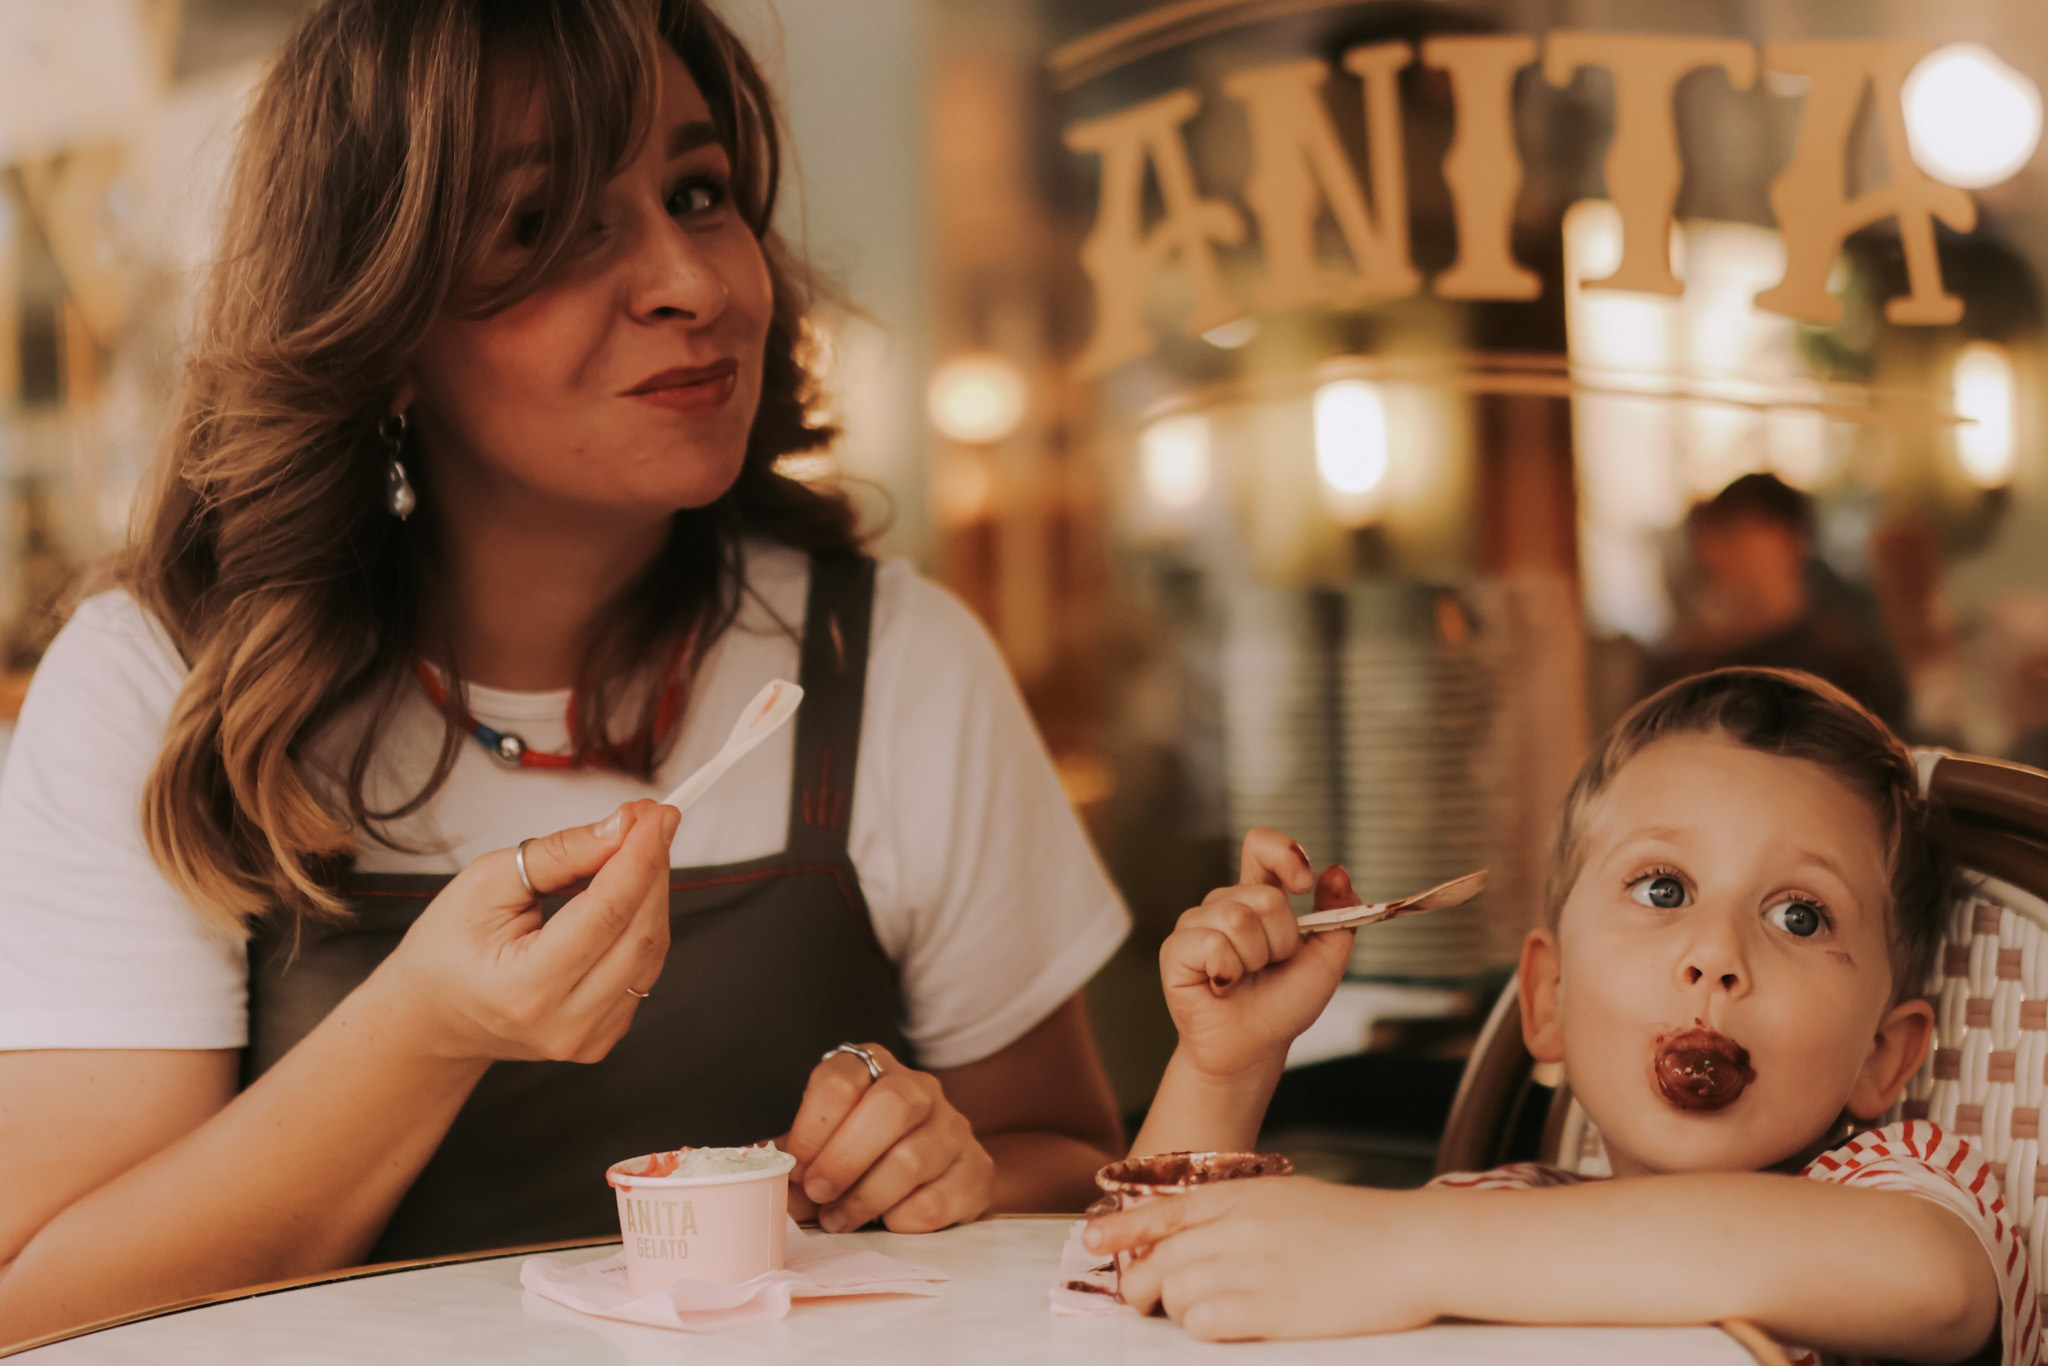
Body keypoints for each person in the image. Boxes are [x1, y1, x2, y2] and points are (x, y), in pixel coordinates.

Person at [0, 0, 1129, 1345]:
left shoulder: (888, 658)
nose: (693, 283)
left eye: (698, 193)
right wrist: (420, 1030)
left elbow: (1067, 1155)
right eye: (546, 227)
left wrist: (962, 1165)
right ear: (382, 318)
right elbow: (50, 1309)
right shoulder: (159, 684)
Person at [1090, 669, 2038, 1365]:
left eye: (1799, 915)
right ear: (1546, 998)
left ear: (1884, 1053)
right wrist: (1227, 1068)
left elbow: (1930, 1283)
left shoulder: (1901, 1190)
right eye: (1664, 888)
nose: (1716, 955)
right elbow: (1136, 1304)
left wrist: (1397, 1248)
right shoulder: (1498, 1213)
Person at [1653, 474, 1912, 735]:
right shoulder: (1691, 662)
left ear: (1789, 538)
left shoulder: (1844, 660)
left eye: (1735, 536)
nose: (1715, 555)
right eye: (1714, 538)